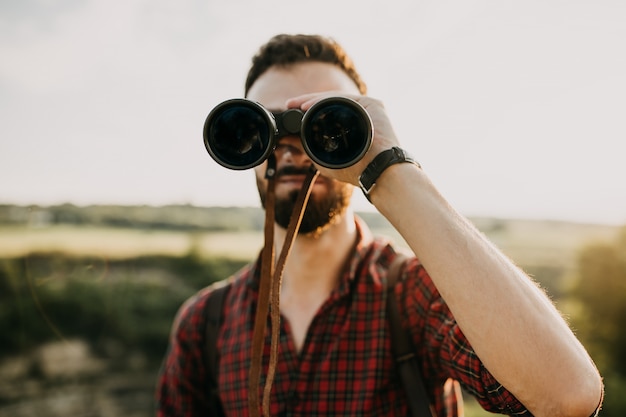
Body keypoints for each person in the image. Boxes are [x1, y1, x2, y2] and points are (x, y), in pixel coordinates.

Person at [156, 34, 603, 417]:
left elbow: (568, 399)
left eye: (324, 123)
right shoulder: (205, 323)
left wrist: (389, 166)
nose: (291, 147)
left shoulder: (412, 294)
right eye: (266, 126)